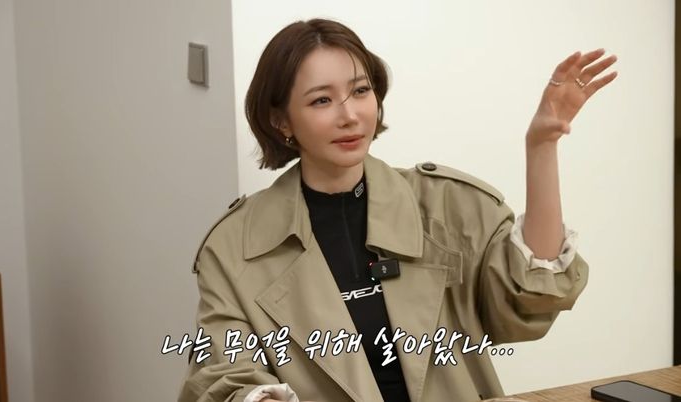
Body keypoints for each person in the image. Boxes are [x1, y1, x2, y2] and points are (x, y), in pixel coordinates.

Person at [177, 18, 617, 402]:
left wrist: (541, 145)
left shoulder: (445, 205)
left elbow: (534, 293)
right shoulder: (233, 248)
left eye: (360, 91)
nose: (350, 115)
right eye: (321, 100)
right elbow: (222, 373)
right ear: (281, 120)